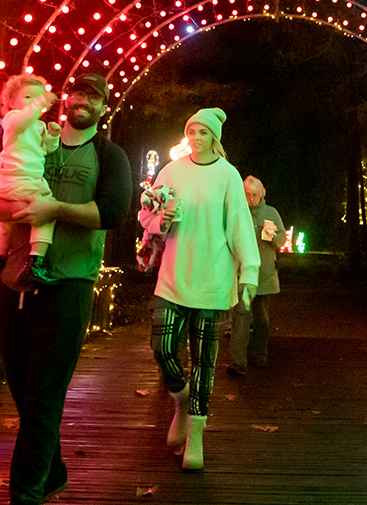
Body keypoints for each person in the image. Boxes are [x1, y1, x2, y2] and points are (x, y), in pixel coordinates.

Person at [0, 74, 132, 505]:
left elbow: (113, 211)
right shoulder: (27, 133)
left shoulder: (109, 154)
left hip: (68, 284)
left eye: (95, 97)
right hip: (13, 283)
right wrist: (13, 207)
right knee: (23, 392)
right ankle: (52, 473)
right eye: (78, 92)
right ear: (65, 99)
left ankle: (24, 495)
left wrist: (55, 209)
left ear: (104, 108)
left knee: (44, 396)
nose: (84, 100)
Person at [138, 108, 258, 471]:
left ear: (214, 137)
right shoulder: (171, 171)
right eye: (191, 130)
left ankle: (197, 434)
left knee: (205, 361)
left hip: (213, 279)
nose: (196, 137)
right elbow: (146, 214)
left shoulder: (227, 175)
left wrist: (249, 272)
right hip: (173, 276)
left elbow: (238, 224)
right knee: (161, 347)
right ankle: (181, 401)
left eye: (203, 132)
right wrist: (161, 220)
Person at [0, 73, 59, 286]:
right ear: (10, 101)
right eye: (28, 97)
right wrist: (40, 102)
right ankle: (36, 261)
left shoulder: (37, 126)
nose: (33, 103)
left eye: (37, 98)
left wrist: (53, 136)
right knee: (47, 211)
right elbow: (20, 122)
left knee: (7, 223)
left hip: (17, 183)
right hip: (20, 180)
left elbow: (45, 150)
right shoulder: (12, 119)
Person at [226, 176, 284, 375]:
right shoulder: (237, 213)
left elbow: (281, 239)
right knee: (241, 317)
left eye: (254, 195)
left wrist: (272, 237)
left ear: (262, 194)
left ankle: (260, 355)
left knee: (261, 319)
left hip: (265, 275)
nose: (250, 199)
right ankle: (238, 362)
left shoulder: (271, 213)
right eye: (247, 195)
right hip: (242, 275)